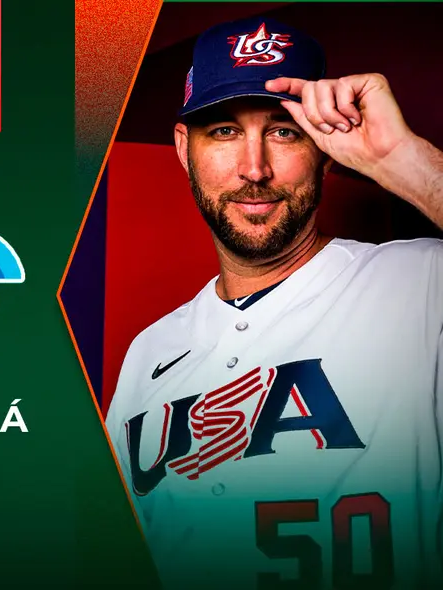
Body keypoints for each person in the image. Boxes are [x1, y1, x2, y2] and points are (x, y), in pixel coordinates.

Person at [105, 16, 443, 589]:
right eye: (224, 132)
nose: (254, 170)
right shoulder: (149, 353)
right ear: (185, 150)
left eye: (285, 131)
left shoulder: (420, 282)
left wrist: (402, 161)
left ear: (327, 150)